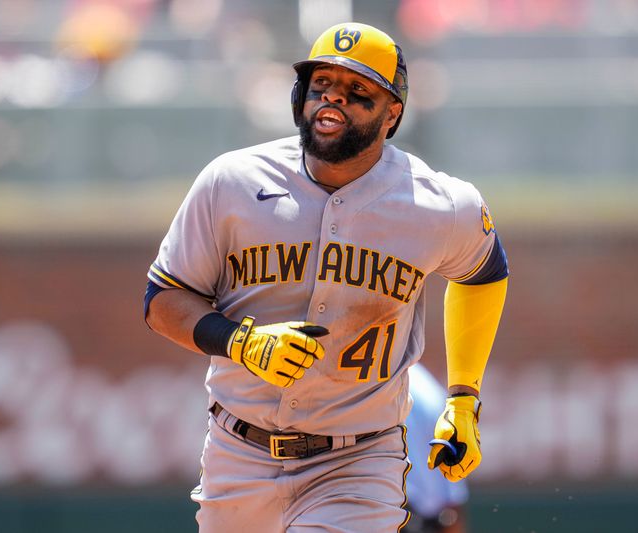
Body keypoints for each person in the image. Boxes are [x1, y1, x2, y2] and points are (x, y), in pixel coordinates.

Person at [144, 21, 508, 532]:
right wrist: (241, 342)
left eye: (359, 91)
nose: (333, 99)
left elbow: (485, 272)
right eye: (322, 85)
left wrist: (464, 396)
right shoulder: (232, 181)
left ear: (392, 114)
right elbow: (162, 300)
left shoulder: (438, 204)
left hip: (357, 461)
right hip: (237, 453)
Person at [405, 364, 470, 533]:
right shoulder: (425, 383)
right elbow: (452, 507)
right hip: (424, 518)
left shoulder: (372, 381)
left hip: (375, 512)